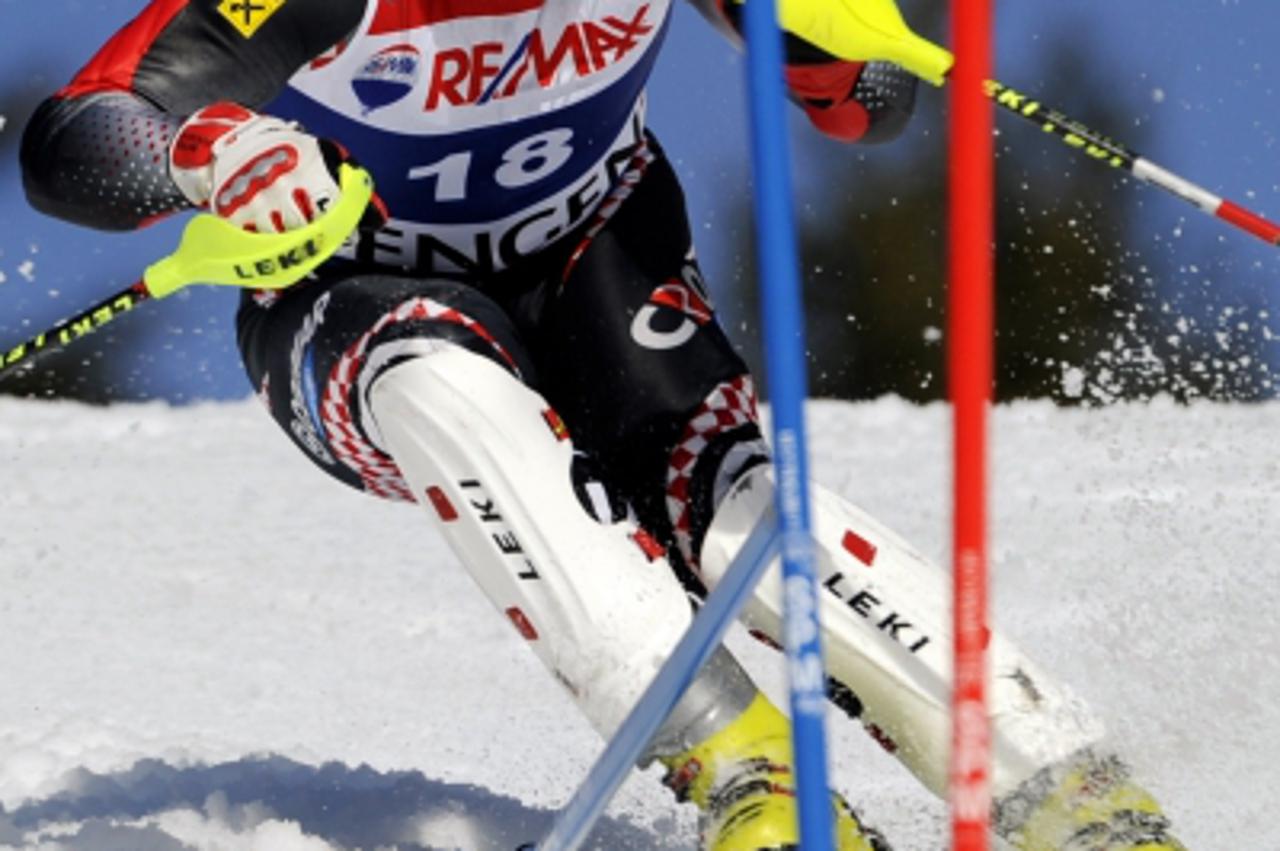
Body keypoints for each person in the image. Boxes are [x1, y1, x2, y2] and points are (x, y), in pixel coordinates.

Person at [21, 1, 1188, 848]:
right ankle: (745, 770)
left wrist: (843, 41)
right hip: (344, 293)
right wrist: (208, 151)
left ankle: (1065, 787)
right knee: (445, 387)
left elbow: (868, 109)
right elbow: (74, 136)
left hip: (596, 255)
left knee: (729, 507)